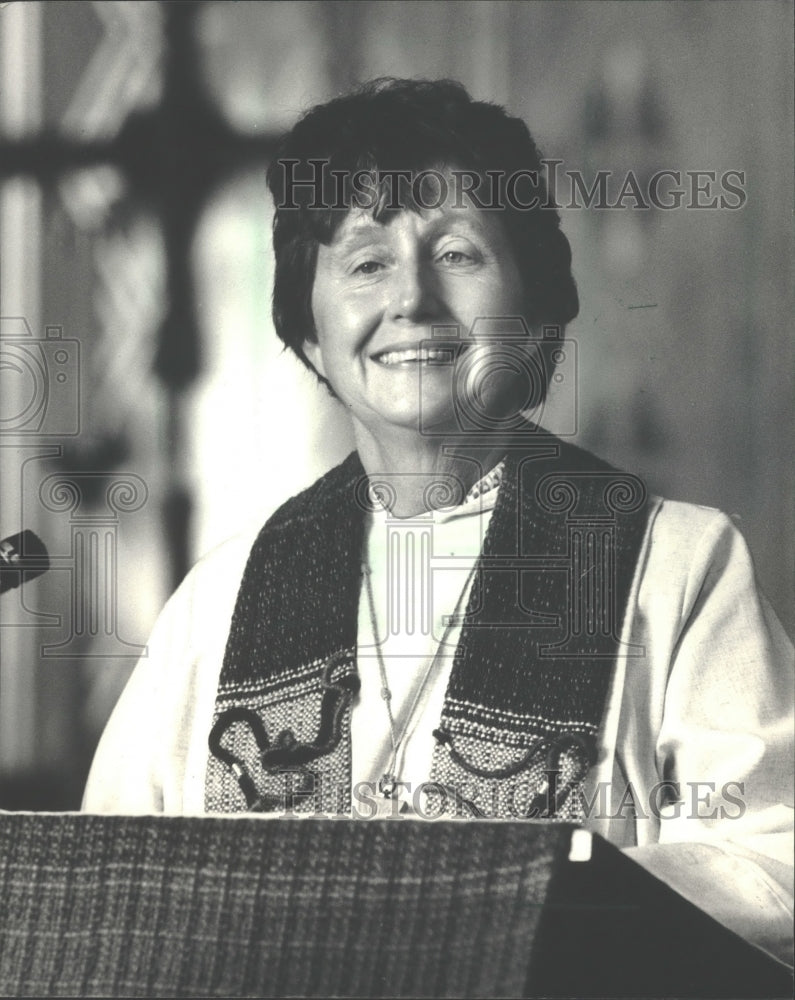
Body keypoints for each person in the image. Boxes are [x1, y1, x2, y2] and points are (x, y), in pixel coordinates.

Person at [83, 78, 793, 968]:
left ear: (535, 311)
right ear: (308, 332)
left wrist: (512, 899)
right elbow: (105, 905)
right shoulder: (219, 602)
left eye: (457, 253)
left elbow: (772, 873)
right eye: (366, 261)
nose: (411, 299)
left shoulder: (678, 567)